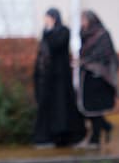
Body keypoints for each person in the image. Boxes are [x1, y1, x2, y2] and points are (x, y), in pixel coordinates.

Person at [32, 9, 86, 148]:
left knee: (63, 106)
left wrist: (49, 31)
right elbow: (44, 51)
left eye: (48, 18)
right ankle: (48, 136)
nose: (46, 21)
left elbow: (56, 45)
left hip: (61, 77)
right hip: (49, 78)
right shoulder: (46, 32)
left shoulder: (64, 31)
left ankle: (67, 136)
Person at [78, 10, 119, 148]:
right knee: (86, 107)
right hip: (87, 75)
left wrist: (84, 61)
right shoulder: (84, 35)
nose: (82, 23)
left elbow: (104, 54)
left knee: (94, 108)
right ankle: (105, 127)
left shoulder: (102, 34)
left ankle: (95, 138)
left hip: (99, 76)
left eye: (83, 20)